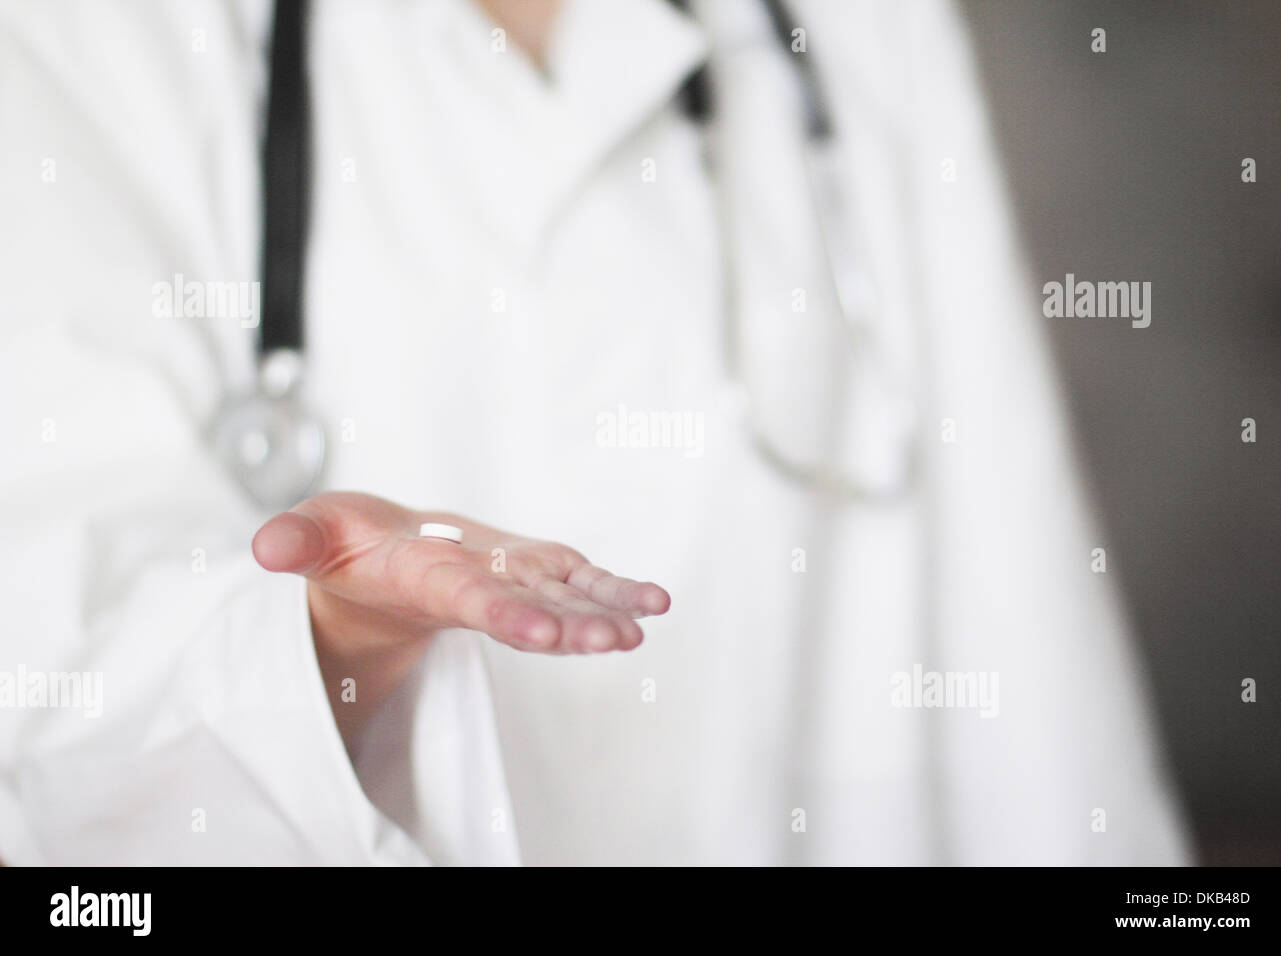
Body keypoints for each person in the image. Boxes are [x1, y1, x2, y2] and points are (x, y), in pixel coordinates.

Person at [0, 0, 1188, 865]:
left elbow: (1018, 618)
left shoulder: (860, 32)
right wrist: (337, 631)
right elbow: (55, 648)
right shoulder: (78, 40)